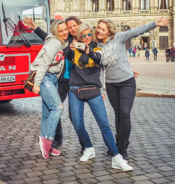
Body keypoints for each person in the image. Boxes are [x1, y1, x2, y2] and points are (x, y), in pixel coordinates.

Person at [94, 17, 169, 160]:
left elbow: (137, 31)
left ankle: (123, 148)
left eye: (103, 29)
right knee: (117, 114)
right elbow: (99, 70)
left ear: (109, 31)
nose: (99, 31)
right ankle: (116, 145)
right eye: (98, 28)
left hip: (126, 82)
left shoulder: (119, 37)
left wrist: (155, 24)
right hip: (111, 84)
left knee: (124, 113)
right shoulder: (97, 47)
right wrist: (101, 89)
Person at [68, 23, 133, 171]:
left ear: (92, 34)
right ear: (78, 36)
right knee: (77, 125)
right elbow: (69, 57)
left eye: (88, 34)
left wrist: (87, 50)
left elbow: (97, 58)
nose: (86, 38)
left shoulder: (97, 48)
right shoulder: (73, 47)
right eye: (82, 35)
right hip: (75, 90)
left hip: (92, 90)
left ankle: (117, 158)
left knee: (104, 125)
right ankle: (89, 148)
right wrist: (72, 49)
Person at [23, 16, 85, 152]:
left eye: (74, 26)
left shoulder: (84, 39)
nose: (71, 29)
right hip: (61, 80)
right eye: (69, 27)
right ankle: (55, 140)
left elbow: (96, 57)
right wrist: (36, 28)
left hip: (77, 82)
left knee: (74, 115)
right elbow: (49, 37)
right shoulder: (63, 41)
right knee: (55, 108)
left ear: (79, 25)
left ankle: (84, 144)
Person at [31, 19, 68, 159]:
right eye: (61, 31)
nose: (64, 32)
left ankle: (47, 143)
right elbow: (44, 64)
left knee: (47, 113)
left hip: (52, 79)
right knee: (58, 108)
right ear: (55, 32)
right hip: (45, 78)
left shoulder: (60, 43)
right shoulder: (55, 43)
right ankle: (46, 141)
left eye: (65, 29)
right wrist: (36, 83)